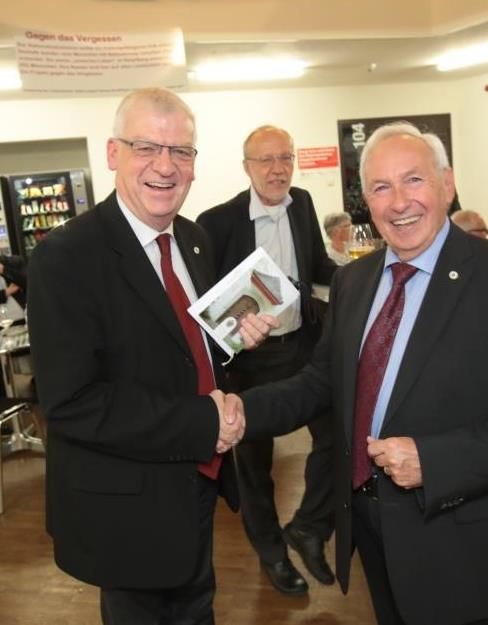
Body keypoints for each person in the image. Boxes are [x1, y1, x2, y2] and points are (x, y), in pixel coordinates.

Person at [240, 121, 488, 625]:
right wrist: (239, 411)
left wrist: (433, 461)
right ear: (367, 202)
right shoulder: (354, 280)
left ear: (447, 183)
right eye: (381, 187)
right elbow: (321, 382)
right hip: (371, 528)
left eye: (413, 180)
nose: (399, 202)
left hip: (462, 540)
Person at [27, 87, 276, 625]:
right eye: (146, 147)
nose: (165, 166)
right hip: (128, 505)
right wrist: (204, 422)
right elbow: (72, 403)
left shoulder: (193, 239)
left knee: (197, 610)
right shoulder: (65, 258)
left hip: (198, 481)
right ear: (113, 154)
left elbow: (183, 351)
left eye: (181, 151)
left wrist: (232, 338)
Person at [197, 125, 338, 596]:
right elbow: (206, 299)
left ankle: (310, 526)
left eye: (286, 158)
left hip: (303, 347)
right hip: (250, 363)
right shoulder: (217, 222)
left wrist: (363, 272)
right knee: (255, 468)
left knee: (336, 436)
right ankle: (272, 554)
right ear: (247, 168)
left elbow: (316, 266)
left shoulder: (302, 203)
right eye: (267, 160)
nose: (278, 170)